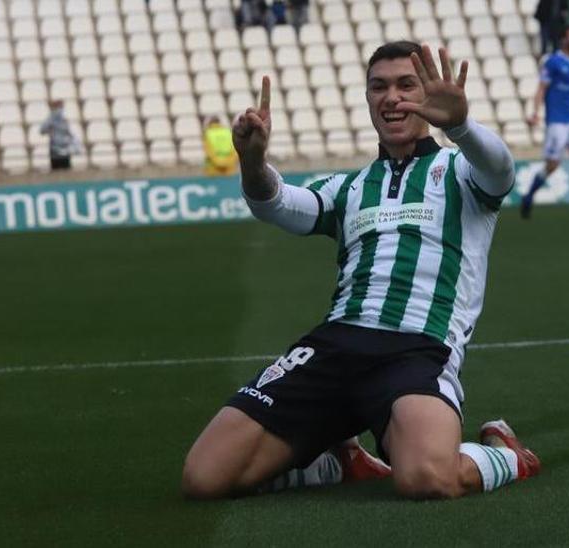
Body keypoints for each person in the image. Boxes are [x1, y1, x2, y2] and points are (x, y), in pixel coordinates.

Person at [182, 42, 540, 501]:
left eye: (406, 85)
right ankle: (339, 464)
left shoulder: (460, 171)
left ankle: (508, 453)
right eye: (379, 87)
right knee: (204, 478)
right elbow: (277, 204)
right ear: (368, 98)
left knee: (428, 479)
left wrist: (462, 126)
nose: (392, 97)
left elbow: (500, 170)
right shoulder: (349, 186)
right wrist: (252, 163)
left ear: (426, 93)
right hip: (335, 346)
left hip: (417, 350)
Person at [521, 25, 569, 219]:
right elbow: (542, 88)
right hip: (557, 121)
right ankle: (529, 196)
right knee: (552, 165)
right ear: (563, 40)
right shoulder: (553, 62)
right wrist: (535, 112)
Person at [39, 99, 80, 171]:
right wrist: (50, 128)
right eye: (59, 107)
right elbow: (42, 131)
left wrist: (74, 144)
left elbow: (69, 133)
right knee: (56, 170)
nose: (60, 109)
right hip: (55, 148)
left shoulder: (64, 120)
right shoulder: (50, 119)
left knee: (66, 169)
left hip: (65, 148)